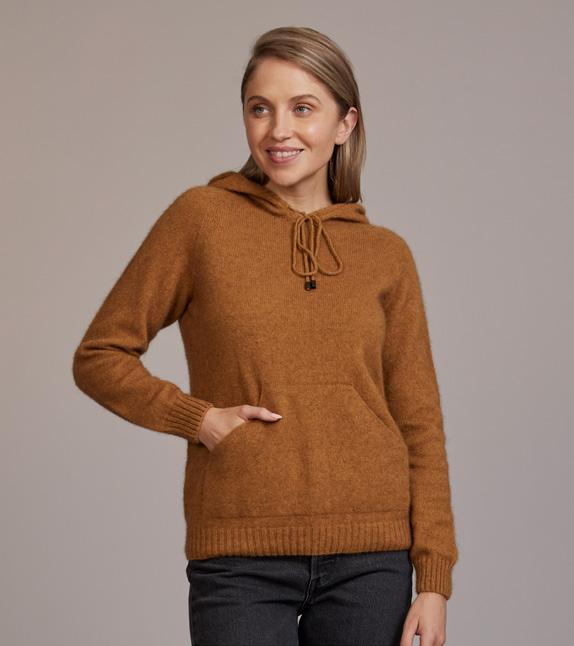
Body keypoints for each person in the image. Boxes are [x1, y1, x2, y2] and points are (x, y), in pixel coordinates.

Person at [72, 25, 458, 646]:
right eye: (260, 108)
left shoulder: (387, 256)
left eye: (303, 108)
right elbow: (99, 355)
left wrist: (434, 579)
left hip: (372, 558)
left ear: (345, 123)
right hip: (239, 554)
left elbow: (420, 422)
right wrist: (197, 419)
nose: (279, 130)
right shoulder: (201, 220)